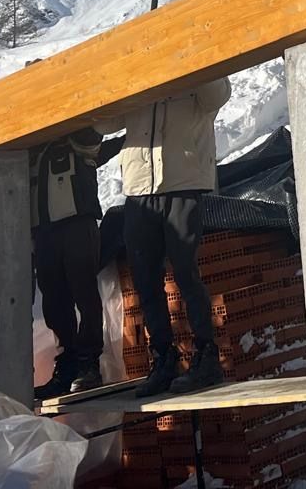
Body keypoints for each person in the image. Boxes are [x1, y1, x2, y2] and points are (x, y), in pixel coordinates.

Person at [99, 76, 232, 396]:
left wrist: (189, 60)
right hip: (139, 191)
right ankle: (163, 359)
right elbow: (106, 123)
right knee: (146, 280)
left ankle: (206, 356)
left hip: (182, 183)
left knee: (186, 273)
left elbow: (216, 94)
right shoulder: (137, 78)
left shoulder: (200, 74)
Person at [30, 125, 121, 399]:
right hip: (43, 231)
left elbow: (95, 140)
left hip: (78, 224)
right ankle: (68, 360)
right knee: (54, 300)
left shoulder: (80, 137)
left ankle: (89, 363)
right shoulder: (32, 148)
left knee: (85, 294)